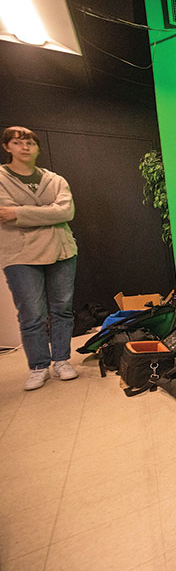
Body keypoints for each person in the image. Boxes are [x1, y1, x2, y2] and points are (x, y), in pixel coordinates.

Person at [0, 126, 79, 390]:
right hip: (20, 255)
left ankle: (62, 360)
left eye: (30, 142)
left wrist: (20, 213)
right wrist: (48, 212)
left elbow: (66, 212)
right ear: (7, 147)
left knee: (62, 309)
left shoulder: (55, 179)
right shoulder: (1, 178)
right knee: (32, 313)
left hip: (62, 251)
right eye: (18, 141)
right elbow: (3, 213)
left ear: (37, 148)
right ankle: (38, 366)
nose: (25, 146)